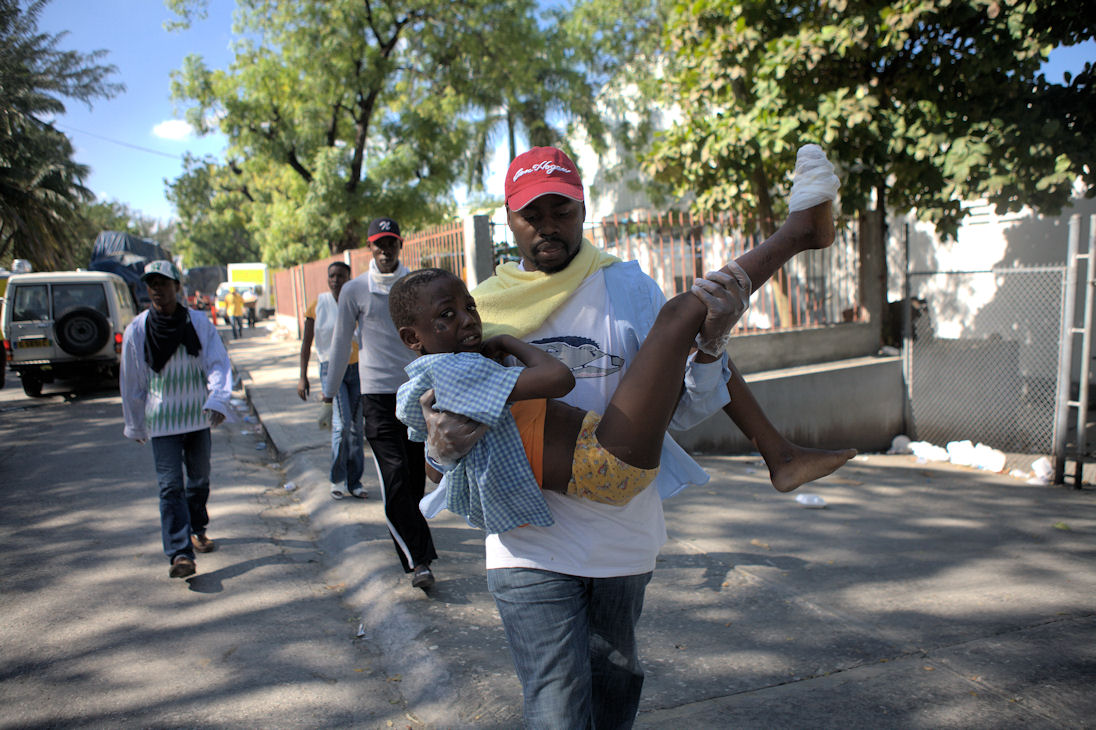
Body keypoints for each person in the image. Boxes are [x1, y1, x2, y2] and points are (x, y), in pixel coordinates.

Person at [420, 145, 854, 727]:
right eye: (531, 215)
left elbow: (678, 410)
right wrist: (439, 450)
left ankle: (800, 242)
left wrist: (712, 347)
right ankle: (800, 233)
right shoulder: (474, 309)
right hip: (525, 546)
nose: (547, 226)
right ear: (509, 219)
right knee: (554, 709)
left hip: (620, 538)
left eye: (561, 211)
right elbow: (438, 449)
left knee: (614, 699)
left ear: (583, 210)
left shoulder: (627, 288)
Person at [325, 216, 439, 591]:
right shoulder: (354, 290)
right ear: (370, 248)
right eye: (379, 244)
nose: (385, 250)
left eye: (391, 243)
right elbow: (341, 342)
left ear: (400, 245)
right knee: (394, 478)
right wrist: (328, 391)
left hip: (416, 393)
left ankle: (414, 541)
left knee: (414, 479)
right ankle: (418, 561)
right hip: (376, 395)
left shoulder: (415, 285)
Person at [120, 260, 232, 580]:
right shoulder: (138, 329)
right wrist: (135, 422)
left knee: (199, 481)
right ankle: (180, 553)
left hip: (196, 416)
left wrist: (218, 399)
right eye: (152, 284)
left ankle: (197, 528)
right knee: (170, 486)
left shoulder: (197, 323)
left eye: (163, 283)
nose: (157, 290)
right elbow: (131, 380)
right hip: (162, 422)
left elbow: (218, 363)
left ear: (177, 287)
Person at [298, 261, 366, 500]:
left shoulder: (356, 302)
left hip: (357, 368)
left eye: (341, 276)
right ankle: (337, 479)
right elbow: (306, 344)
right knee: (342, 425)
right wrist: (302, 377)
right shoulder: (318, 304)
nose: (336, 280)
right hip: (331, 369)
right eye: (332, 276)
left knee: (357, 428)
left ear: (349, 278)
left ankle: (355, 482)